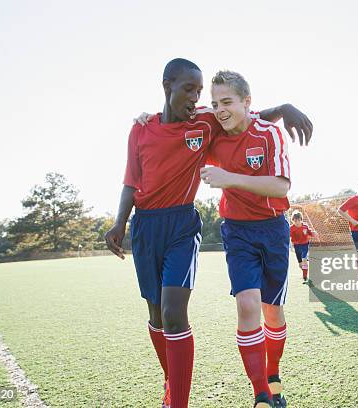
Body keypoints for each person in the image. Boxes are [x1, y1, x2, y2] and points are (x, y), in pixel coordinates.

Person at [105, 58, 312, 408]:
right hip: (177, 227)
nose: (201, 102)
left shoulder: (218, 125)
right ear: (167, 85)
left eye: (202, 94)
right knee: (168, 314)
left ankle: (244, 382)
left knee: (195, 312)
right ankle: (199, 385)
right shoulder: (149, 128)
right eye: (194, 92)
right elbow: (130, 179)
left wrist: (285, 107)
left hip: (211, 226)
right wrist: (119, 221)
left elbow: (247, 116)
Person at [199, 70, 295, 408]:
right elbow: (181, 118)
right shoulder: (213, 135)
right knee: (247, 304)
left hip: (272, 230)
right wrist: (147, 117)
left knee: (272, 310)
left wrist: (228, 178)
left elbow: (281, 186)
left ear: (247, 102)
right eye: (214, 103)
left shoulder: (269, 134)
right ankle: (261, 395)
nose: (220, 110)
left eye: (227, 102)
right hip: (236, 230)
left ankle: (273, 372)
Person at [289, 210, 316, 283]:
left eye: (298, 220)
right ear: (292, 221)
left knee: (304, 260)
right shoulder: (291, 228)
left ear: (301, 219)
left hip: (305, 244)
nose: (297, 222)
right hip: (297, 246)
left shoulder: (305, 226)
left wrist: (313, 234)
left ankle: (305, 276)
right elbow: (288, 236)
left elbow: (310, 233)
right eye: (295, 221)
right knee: (300, 264)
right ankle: (304, 270)